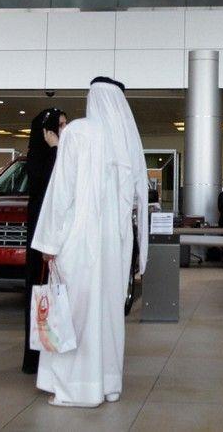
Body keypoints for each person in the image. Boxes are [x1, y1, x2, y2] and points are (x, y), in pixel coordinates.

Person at [31, 77, 148, 407]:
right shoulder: (124, 142)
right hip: (114, 248)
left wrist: (49, 244)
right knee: (108, 317)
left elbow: (61, 193)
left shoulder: (78, 133)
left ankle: (77, 389)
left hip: (80, 244)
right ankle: (108, 384)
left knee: (76, 315)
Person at [22, 107, 67, 375]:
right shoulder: (40, 158)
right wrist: (54, 149)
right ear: (46, 131)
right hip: (41, 242)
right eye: (59, 125)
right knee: (41, 296)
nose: (64, 130)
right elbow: (48, 183)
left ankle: (56, 352)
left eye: (65, 124)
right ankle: (37, 357)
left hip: (59, 240)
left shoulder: (62, 153)